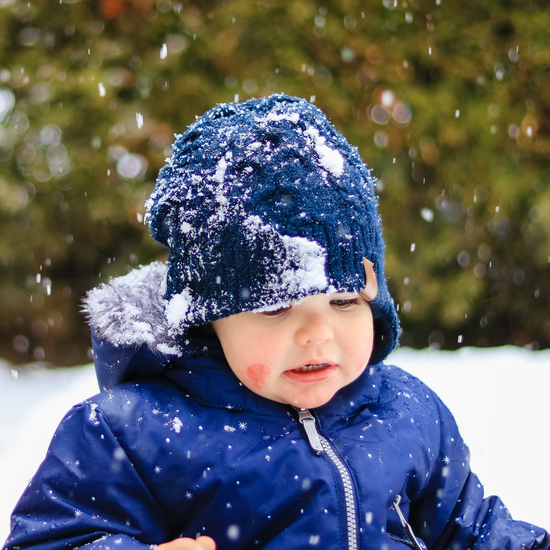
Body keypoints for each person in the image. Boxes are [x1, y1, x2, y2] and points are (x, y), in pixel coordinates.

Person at [3, 94, 548, 550]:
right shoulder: (131, 434)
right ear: (209, 320)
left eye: (344, 302)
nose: (318, 332)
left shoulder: (405, 411)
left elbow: (472, 531)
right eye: (274, 307)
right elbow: (54, 540)